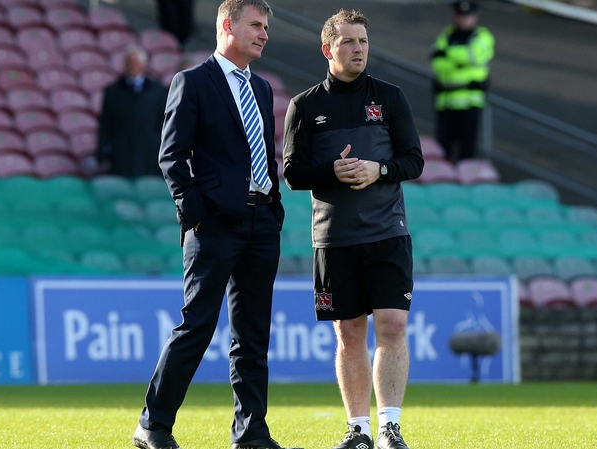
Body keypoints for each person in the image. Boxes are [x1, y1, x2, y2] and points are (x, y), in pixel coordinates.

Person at [132, 1, 300, 449]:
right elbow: (171, 155)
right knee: (197, 326)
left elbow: (264, 153)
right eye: (255, 25)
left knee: (253, 334)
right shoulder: (192, 81)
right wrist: (196, 215)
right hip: (214, 225)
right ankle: (153, 425)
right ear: (227, 24)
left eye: (266, 27)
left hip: (261, 220)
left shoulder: (262, 88)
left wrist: (273, 208)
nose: (264, 34)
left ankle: (251, 431)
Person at [282, 9, 424, 449]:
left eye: (362, 41)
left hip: (387, 231)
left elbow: (413, 161)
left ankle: (390, 428)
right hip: (335, 237)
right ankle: (358, 429)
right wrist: (334, 171)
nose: (358, 49)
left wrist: (377, 169)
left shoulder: (391, 97)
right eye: (348, 42)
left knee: (394, 326)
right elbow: (292, 172)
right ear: (328, 49)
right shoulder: (304, 106)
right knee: (348, 333)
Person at [430, 0, 495, 163]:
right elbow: (436, 62)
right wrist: (459, 59)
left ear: (475, 17)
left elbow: (473, 56)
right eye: (460, 16)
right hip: (445, 101)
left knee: (467, 149)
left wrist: (448, 54)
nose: (463, 19)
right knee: (442, 150)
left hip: (469, 101)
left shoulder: (482, 36)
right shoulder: (447, 34)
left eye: (467, 16)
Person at [96, 45, 168, 178]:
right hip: (121, 155)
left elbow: (163, 123)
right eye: (129, 62)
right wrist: (103, 151)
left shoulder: (158, 92)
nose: (132, 66)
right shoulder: (113, 91)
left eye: (136, 62)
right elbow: (105, 123)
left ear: (144, 64)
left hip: (149, 155)